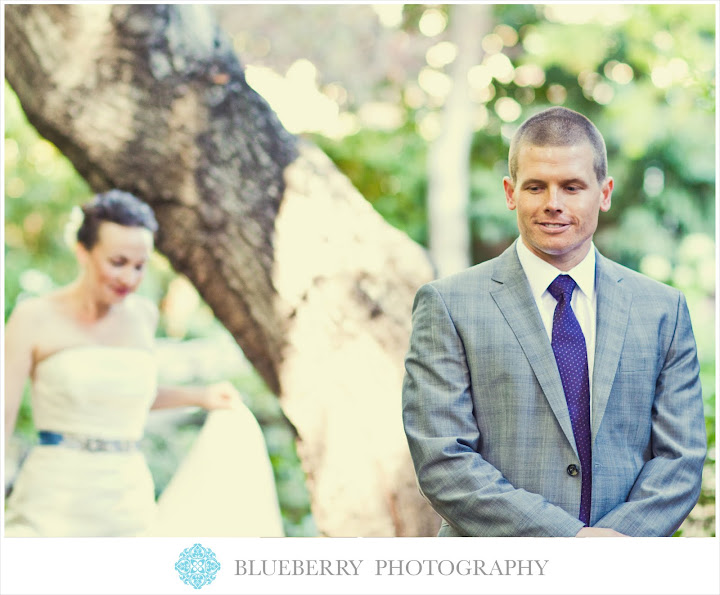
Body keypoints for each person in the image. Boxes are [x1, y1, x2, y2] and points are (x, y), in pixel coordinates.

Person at [402, 106, 706, 537]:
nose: (553, 204)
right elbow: (443, 460)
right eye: (535, 187)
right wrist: (570, 543)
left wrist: (614, 546)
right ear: (510, 193)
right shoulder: (448, 306)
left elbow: (681, 459)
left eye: (572, 186)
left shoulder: (663, 310)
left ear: (604, 192)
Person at [4, 189, 283, 537]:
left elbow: (129, 398)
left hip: (125, 499)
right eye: (117, 263)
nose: (129, 279)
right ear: (83, 253)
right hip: (53, 497)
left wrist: (200, 396)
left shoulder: (143, 316)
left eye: (140, 266)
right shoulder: (34, 317)